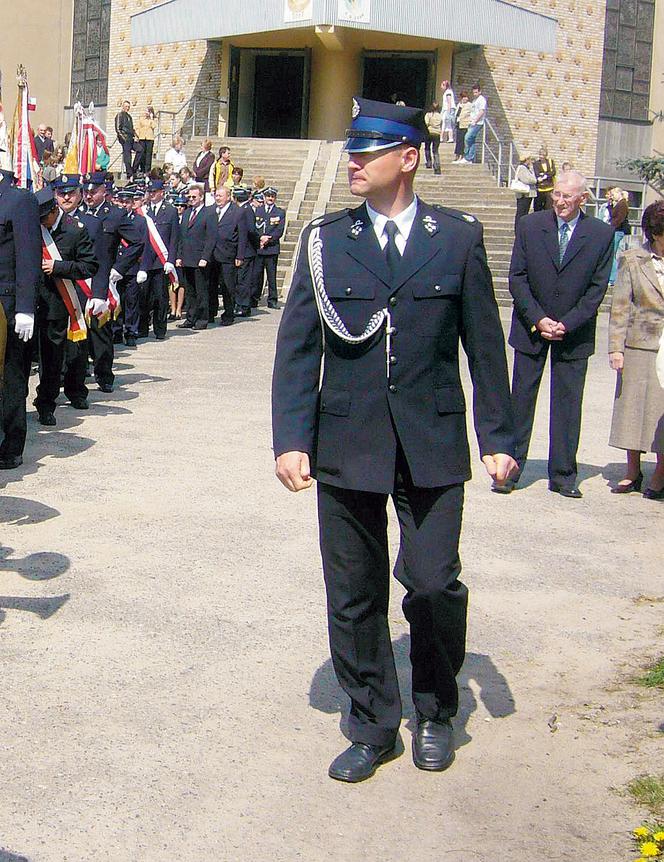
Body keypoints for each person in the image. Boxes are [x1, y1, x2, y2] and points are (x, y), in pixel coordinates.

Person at [271, 97, 516, 784]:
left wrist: (497, 434)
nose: (354, 159)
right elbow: (297, 349)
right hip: (347, 440)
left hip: (431, 440)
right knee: (353, 591)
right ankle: (373, 722)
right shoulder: (326, 242)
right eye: (353, 148)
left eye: (369, 150)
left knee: (434, 583)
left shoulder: (458, 237)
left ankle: (435, 709)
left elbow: (484, 347)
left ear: (408, 158)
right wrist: (291, 437)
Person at [502, 170, 614, 498]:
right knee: (520, 400)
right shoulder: (530, 225)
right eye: (557, 196)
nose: (560, 202)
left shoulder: (601, 234)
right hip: (532, 328)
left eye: (567, 197)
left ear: (583, 199)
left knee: (567, 404)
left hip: (573, 332)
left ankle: (563, 474)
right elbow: (517, 277)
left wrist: (568, 322)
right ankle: (511, 468)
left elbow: (596, 289)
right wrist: (538, 319)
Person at [608, 199, 664, 500]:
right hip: (638, 343)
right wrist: (616, 348)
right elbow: (620, 307)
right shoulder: (632, 259)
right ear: (654, 235)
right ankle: (632, 470)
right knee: (632, 409)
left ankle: (660, 472)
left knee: (662, 412)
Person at [34, 188, 98, 426]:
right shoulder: (35, 227)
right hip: (31, 302)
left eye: (44, 218)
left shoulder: (75, 230)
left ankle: (46, 405)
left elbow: (89, 266)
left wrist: (59, 267)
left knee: (52, 359)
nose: (41, 223)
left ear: (54, 211)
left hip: (57, 305)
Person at [0, 169, 41, 469]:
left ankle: (12, 444)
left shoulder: (18, 200)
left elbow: (28, 255)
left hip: (8, 304)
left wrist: (25, 307)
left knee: (13, 376)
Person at [136, 178, 179, 341]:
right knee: (143, 296)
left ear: (162, 192)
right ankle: (142, 328)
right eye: (150, 192)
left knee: (161, 297)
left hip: (161, 261)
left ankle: (160, 329)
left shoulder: (170, 211)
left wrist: (171, 260)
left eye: (154, 192)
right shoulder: (144, 211)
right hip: (144, 261)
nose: (151, 195)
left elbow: (174, 237)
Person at [203, 185, 246, 326]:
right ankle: (210, 312)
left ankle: (228, 314)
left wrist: (240, 256)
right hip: (211, 254)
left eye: (221, 196)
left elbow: (242, 236)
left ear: (228, 197)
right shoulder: (210, 211)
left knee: (228, 286)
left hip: (228, 254)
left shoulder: (238, 212)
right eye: (216, 195)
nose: (218, 198)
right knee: (211, 285)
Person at [176, 183, 213, 329]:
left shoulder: (209, 214)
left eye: (194, 197)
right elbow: (181, 236)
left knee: (201, 291)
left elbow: (211, 238)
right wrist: (179, 256)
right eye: (189, 197)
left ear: (201, 197)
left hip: (200, 259)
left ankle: (202, 319)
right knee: (190, 290)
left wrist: (205, 257)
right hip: (186, 258)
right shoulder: (186, 213)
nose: (191, 199)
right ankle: (190, 318)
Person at [254, 186, 285, 309]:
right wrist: (260, 238)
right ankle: (254, 298)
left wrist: (269, 238)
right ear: (264, 197)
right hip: (259, 247)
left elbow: (279, 230)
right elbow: (254, 227)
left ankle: (272, 300)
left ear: (275, 198)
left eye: (272, 196)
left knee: (271, 276)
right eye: (268, 196)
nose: (270, 198)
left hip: (271, 248)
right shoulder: (258, 210)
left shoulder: (279, 212)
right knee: (256, 275)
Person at [234, 187, 260, 317]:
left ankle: (244, 306)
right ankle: (239, 303)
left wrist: (256, 244)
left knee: (244, 280)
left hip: (247, 250)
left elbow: (251, 230)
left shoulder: (246, 210)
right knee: (239, 279)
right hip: (242, 249)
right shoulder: (242, 209)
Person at [606, 186, 631, 286]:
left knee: (612, 253)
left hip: (618, 231)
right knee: (612, 253)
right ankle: (612, 278)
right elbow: (613, 215)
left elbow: (619, 219)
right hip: (616, 230)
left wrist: (611, 227)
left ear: (619, 193)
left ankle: (613, 278)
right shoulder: (619, 204)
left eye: (613, 194)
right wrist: (610, 205)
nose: (612, 196)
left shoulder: (622, 204)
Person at [115, 100, 143, 180]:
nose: (127, 108)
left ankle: (134, 169)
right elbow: (118, 128)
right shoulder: (119, 115)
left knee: (140, 149)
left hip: (131, 138)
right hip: (125, 138)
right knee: (127, 156)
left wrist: (136, 136)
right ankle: (129, 173)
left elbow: (131, 129)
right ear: (123, 106)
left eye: (128, 107)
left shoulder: (129, 117)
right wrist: (123, 139)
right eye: (126, 106)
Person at [459, 83, 486, 165]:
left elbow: (482, 111)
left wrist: (475, 120)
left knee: (467, 137)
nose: (475, 94)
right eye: (474, 92)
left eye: (476, 92)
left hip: (478, 123)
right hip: (472, 122)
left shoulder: (482, 100)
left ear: (480, 92)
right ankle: (470, 157)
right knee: (472, 140)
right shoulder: (475, 100)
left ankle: (468, 157)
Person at [512, 155, 538, 232]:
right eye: (529, 159)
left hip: (527, 195)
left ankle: (521, 229)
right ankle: (518, 230)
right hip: (523, 195)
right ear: (526, 160)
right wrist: (535, 180)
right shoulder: (522, 168)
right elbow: (527, 180)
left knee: (525, 212)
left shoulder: (527, 168)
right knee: (521, 212)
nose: (530, 161)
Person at [533, 145, 556, 211]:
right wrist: (546, 174)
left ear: (546, 156)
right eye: (540, 155)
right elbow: (537, 174)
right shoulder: (536, 163)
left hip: (549, 188)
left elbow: (553, 172)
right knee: (538, 207)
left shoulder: (550, 162)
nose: (541, 157)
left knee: (548, 206)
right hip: (540, 188)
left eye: (543, 155)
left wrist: (545, 175)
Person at [452, 92, 472, 164]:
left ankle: (462, 156)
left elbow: (472, 114)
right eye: (463, 97)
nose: (465, 99)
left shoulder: (469, 105)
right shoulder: (459, 105)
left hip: (465, 125)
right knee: (458, 140)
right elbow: (457, 114)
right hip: (459, 124)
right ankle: (457, 155)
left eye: (466, 97)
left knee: (463, 141)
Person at [423, 102, 442, 175]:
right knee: (435, 150)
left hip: (429, 132)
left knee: (427, 148)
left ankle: (429, 163)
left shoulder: (428, 115)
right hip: (437, 133)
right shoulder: (440, 115)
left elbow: (426, 123)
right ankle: (437, 166)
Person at [137, 108, 156, 174]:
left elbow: (154, 126)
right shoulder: (141, 119)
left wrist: (151, 118)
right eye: (146, 111)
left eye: (148, 111)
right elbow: (138, 127)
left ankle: (147, 170)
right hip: (142, 138)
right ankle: (142, 168)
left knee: (148, 154)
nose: (146, 112)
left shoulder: (151, 120)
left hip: (149, 138)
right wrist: (138, 136)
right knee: (142, 153)